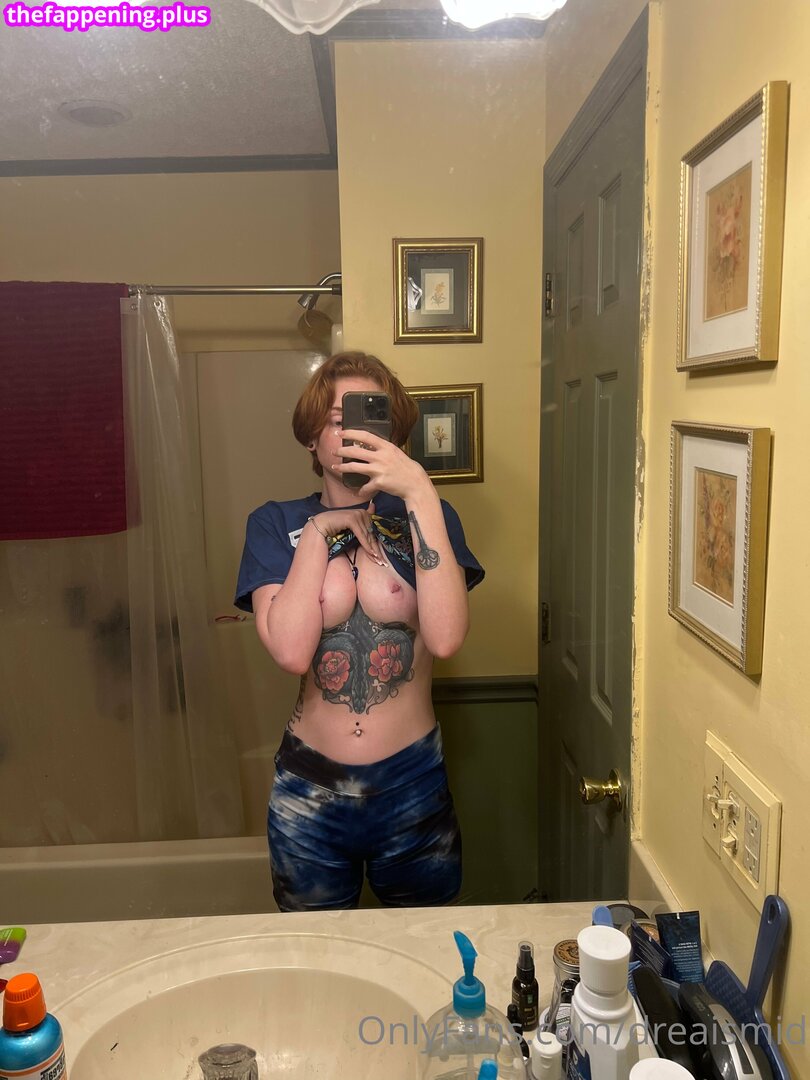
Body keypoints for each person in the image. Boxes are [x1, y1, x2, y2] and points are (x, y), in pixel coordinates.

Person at [234, 351, 484, 910]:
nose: (353, 434)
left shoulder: (429, 516)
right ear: (311, 438)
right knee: (315, 950)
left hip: (413, 782)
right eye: (336, 420)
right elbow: (292, 652)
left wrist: (419, 493)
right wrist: (319, 534)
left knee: (423, 945)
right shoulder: (275, 523)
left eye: (370, 418)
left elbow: (446, 638)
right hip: (309, 789)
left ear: (393, 435)